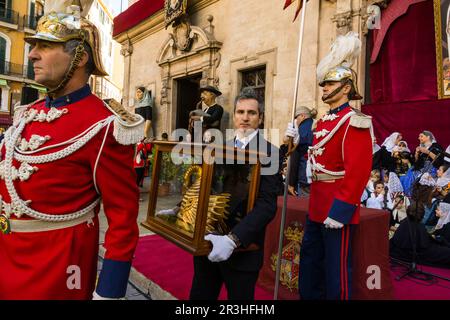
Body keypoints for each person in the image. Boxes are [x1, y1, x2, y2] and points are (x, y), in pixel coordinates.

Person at [0, 1, 143, 300]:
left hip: (56, 271)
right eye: (34, 46)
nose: (32, 54)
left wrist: (109, 292)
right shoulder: (28, 111)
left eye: (46, 46)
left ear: (80, 57)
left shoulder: (105, 126)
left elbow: (123, 220)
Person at [288, 32, 373, 300]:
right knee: (311, 261)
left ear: (346, 87)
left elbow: (359, 170)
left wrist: (342, 210)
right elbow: (314, 153)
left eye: (330, 83)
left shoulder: (354, 120)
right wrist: (293, 140)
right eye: (323, 84)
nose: (323, 88)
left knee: (336, 270)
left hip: (337, 204)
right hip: (317, 201)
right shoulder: (324, 120)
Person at [189, 88, 282, 300]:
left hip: (242, 250)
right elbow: (209, 190)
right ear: (234, 115)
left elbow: (267, 205)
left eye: (251, 113)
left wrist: (233, 240)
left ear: (260, 118)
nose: (245, 118)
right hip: (209, 243)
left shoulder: (271, 153)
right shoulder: (220, 147)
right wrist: (180, 209)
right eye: (240, 112)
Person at [285, 107, 316, 197]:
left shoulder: (302, 128)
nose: (295, 120)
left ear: (302, 116)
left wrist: (290, 182)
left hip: (305, 176)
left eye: (296, 117)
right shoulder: (317, 124)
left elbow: (295, 156)